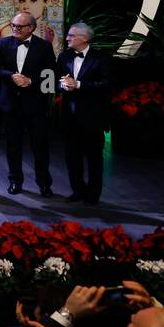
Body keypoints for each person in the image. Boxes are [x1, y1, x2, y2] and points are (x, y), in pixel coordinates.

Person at [0, 11, 56, 196]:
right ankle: (15, 181)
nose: (14, 29)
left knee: (40, 146)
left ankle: (44, 183)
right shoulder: (4, 44)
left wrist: (30, 81)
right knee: (13, 145)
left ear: (31, 28)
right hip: (10, 103)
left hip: (35, 104)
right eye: (13, 25)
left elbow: (50, 74)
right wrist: (10, 76)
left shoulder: (44, 46)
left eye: (19, 26)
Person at [56, 21, 110, 203]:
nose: (67, 38)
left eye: (71, 36)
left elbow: (106, 86)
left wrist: (78, 85)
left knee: (94, 158)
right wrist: (62, 84)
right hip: (70, 117)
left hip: (93, 117)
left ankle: (94, 194)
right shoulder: (64, 57)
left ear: (85, 38)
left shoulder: (101, 58)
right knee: (72, 158)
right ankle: (77, 190)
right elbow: (55, 82)